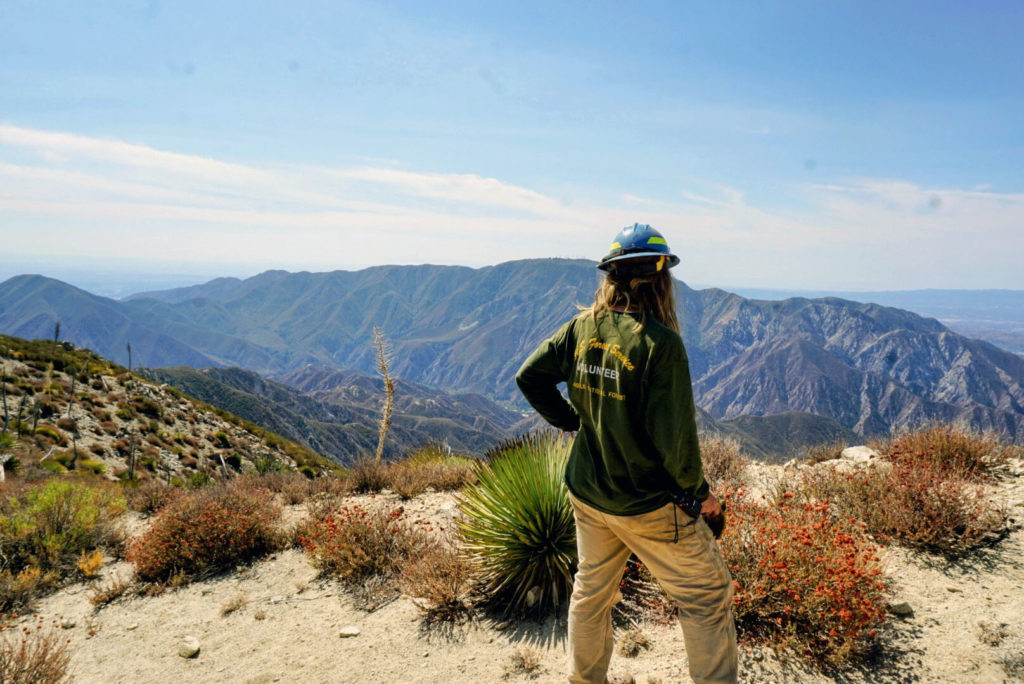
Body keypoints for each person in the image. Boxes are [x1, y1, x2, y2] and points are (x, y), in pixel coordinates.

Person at [515, 223, 737, 684]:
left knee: (592, 592)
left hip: (589, 494)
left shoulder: (582, 328)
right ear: (660, 279)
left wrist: (574, 422)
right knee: (707, 598)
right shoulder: (660, 344)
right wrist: (702, 496)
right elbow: (677, 445)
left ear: (611, 277)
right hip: (647, 504)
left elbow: (529, 377)